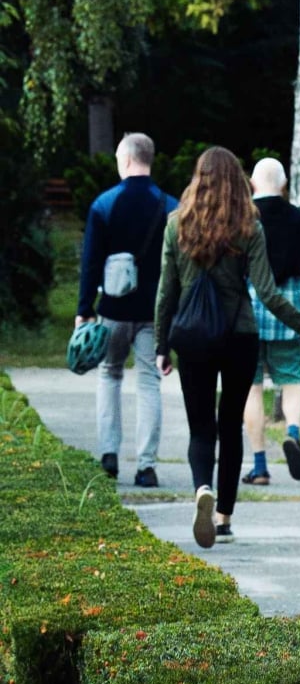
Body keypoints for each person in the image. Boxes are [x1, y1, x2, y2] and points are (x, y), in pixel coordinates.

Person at [155, 147, 300, 548]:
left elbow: (167, 293)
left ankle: (202, 488)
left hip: (192, 339)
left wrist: (162, 345)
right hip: (239, 337)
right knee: (229, 426)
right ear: (238, 182)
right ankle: (224, 518)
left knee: (201, 428)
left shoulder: (176, 224)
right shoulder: (249, 225)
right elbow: (267, 293)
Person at [76, 132, 178, 487]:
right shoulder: (170, 207)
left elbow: (90, 263)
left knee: (110, 375)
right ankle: (146, 466)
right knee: (149, 382)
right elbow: (178, 266)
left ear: (126, 159)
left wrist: (84, 309)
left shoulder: (104, 205)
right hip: (155, 313)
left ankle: (108, 456)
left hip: (113, 310)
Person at [240, 158, 300, 485]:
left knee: (252, 388)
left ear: (253, 184)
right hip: (287, 318)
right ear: (284, 184)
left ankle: (259, 465)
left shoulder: (243, 218)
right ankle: (292, 431)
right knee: (291, 380)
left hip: (246, 318)